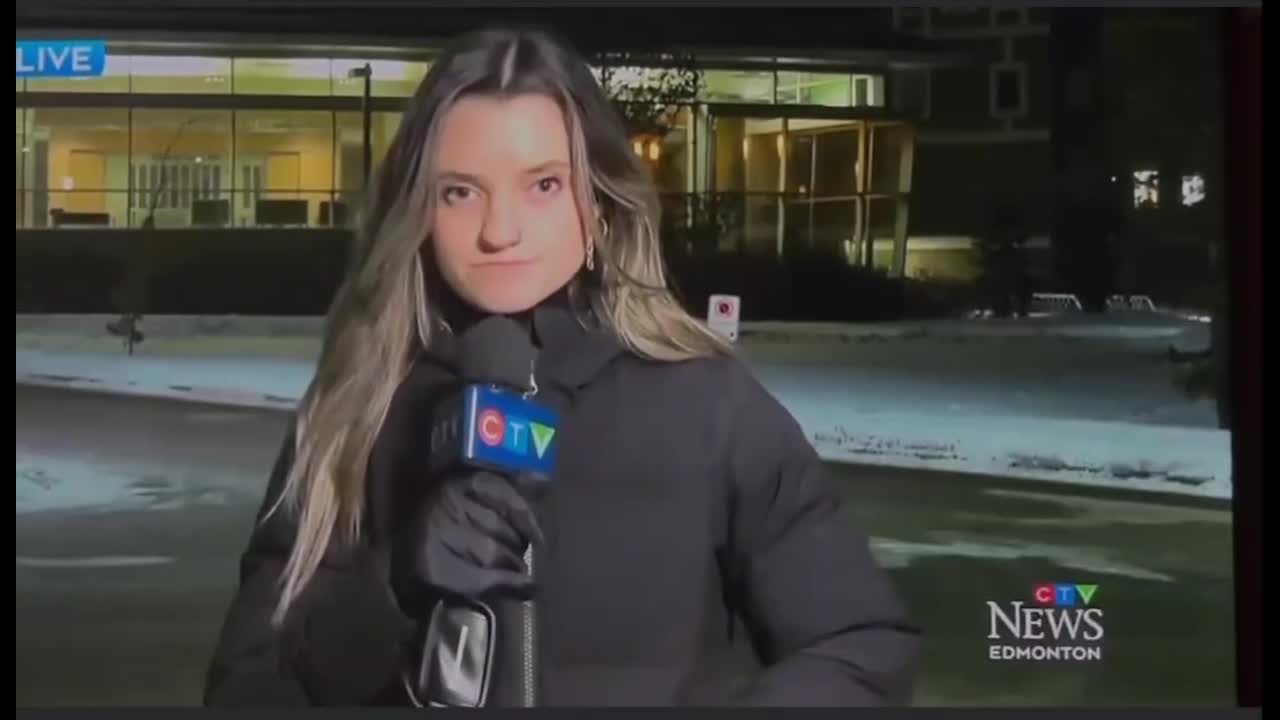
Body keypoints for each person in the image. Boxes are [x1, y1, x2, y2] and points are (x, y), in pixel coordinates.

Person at [203, 26, 919, 707]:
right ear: (417, 211)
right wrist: (390, 588)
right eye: (461, 191)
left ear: (599, 204)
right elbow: (246, 688)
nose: (500, 230)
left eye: (543, 184)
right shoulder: (355, 407)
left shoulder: (708, 403)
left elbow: (858, 644)